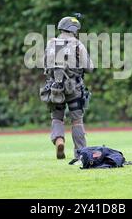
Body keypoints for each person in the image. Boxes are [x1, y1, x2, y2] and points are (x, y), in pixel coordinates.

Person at [40, 16, 94, 160]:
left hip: (55, 88)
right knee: (77, 120)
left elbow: (44, 66)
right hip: (74, 88)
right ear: (74, 29)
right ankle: (81, 153)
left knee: (57, 118)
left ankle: (59, 140)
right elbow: (90, 68)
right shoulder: (77, 45)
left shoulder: (51, 44)